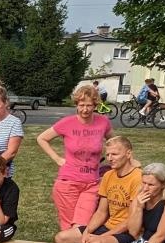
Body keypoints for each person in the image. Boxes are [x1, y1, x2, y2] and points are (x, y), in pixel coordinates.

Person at [36, 80, 114, 232]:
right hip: (68, 183)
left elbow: (115, 143)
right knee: (68, 227)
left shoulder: (103, 122)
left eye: (89, 105)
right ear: (76, 105)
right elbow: (41, 138)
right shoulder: (67, 123)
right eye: (81, 105)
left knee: (81, 226)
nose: (85, 109)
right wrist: (57, 159)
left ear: (95, 105)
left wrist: (118, 158)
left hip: (92, 183)